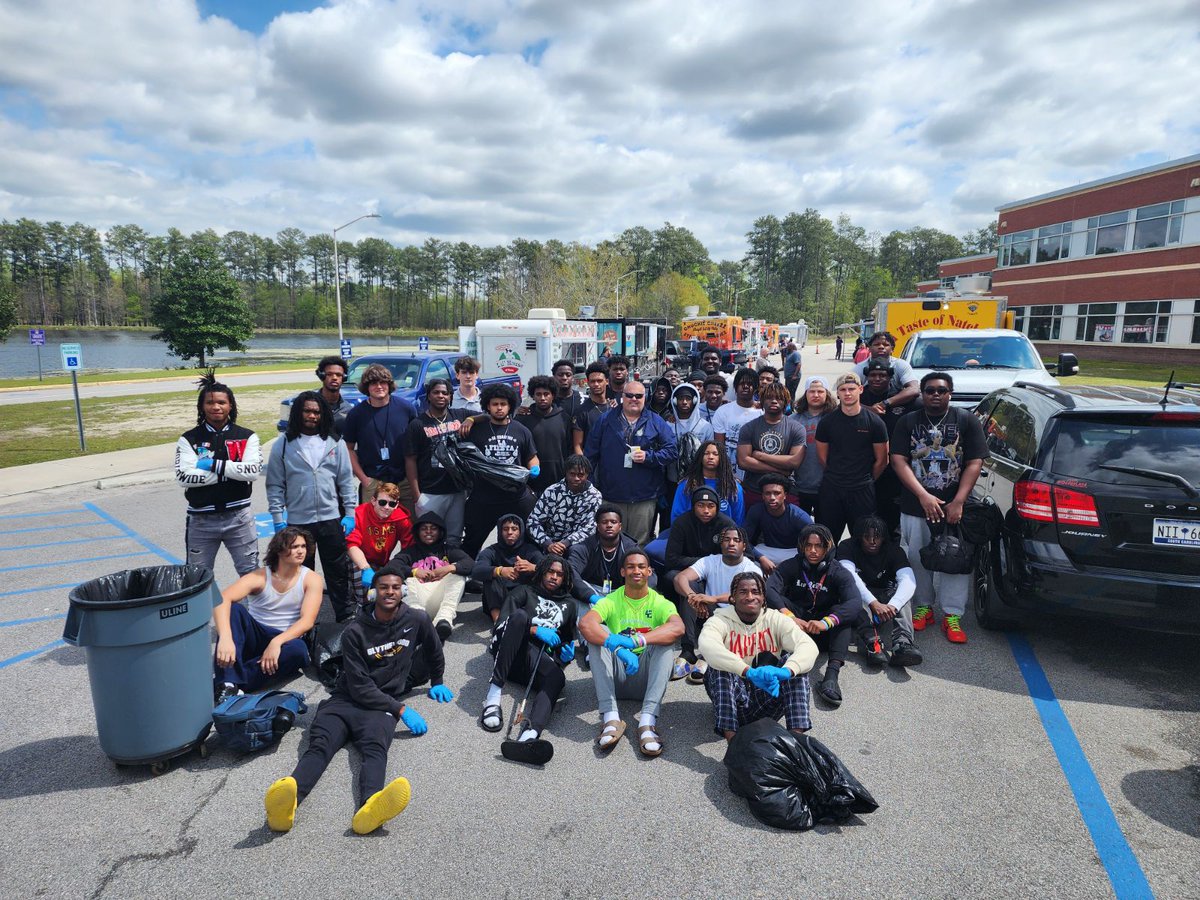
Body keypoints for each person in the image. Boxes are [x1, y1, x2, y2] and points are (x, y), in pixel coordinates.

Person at [262, 561, 449, 835]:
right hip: (345, 700)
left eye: (396, 587)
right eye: (384, 587)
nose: (390, 592)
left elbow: (434, 649)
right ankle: (286, 804)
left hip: (379, 706)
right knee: (320, 747)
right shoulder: (355, 631)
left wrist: (438, 680)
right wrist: (400, 709)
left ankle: (370, 807)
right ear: (374, 592)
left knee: (375, 750)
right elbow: (360, 685)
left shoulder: (416, 620)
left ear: (402, 591)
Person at [890, 372, 987, 645]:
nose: (935, 395)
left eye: (941, 391)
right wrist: (922, 495)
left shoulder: (966, 420)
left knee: (956, 559)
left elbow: (974, 463)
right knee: (918, 558)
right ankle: (923, 607)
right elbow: (898, 460)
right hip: (915, 504)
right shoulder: (908, 421)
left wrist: (958, 501)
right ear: (921, 393)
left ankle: (952, 615)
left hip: (954, 506)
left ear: (950, 393)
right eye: (930, 390)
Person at [578, 548, 684, 757]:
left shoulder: (660, 602)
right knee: (598, 634)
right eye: (631, 567)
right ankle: (610, 718)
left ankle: (647, 722)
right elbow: (586, 624)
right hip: (615, 677)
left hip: (647, 680)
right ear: (622, 572)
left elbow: (678, 628)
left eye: (641, 567)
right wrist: (615, 645)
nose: (637, 570)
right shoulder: (610, 600)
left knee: (665, 638)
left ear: (650, 572)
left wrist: (640, 639)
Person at [266, 391, 359, 622]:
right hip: (299, 522)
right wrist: (278, 518)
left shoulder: (333, 443)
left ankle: (344, 616)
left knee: (337, 571)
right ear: (298, 413)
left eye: (316, 411)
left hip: (330, 519)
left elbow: (346, 481)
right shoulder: (284, 445)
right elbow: (275, 484)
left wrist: (349, 513)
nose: (312, 415)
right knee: (299, 573)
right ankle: (303, 619)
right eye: (307, 411)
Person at [698, 571, 818, 741]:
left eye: (755, 592)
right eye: (743, 592)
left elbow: (808, 646)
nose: (749, 597)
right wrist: (747, 671)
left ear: (763, 597)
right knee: (719, 668)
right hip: (733, 704)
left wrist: (787, 671)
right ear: (732, 598)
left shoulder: (776, 619)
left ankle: (795, 742)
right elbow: (707, 645)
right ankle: (734, 743)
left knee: (795, 665)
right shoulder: (719, 620)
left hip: (767, 698)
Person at [213, 527, 323, 703]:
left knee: (299, 651)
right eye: (294, 547)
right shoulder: (260, 576)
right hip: (255, 634)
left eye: (303, 546)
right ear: (279, 550)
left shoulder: (311, 579)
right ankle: (227, 682)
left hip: (284, 637)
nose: (301, 550)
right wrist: (225, 638)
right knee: (235, 609)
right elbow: (222, 599)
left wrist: (277, 642)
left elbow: (307, 621)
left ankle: (228, 682)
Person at [478, 556, 579, 744]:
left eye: (560, 574)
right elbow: (503, 624)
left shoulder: (570, 605)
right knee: (520, 616)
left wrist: (565, 656)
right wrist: (533, 629)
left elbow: (563, 642)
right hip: (510, 654)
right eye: (551, 571)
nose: (554, 577)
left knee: (557, 677)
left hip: (535, 663)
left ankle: (531, 734)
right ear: (541, 572)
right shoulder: (523, 591)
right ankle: (492, 699)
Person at [766, 524, 867, 709]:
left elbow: (854, 602)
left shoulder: (839, 572)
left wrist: (825, 623)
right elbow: (769, 588)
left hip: (822, 631)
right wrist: (789, 616)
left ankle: (831, 677)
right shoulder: (792, 565)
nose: (813, 551)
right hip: (796, 628)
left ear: (828, 547)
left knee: (843, 614)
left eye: (818, 546)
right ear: (802, 547)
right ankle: (773, 667)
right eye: (808, 546)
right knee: (775, 604)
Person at [175, 371, 263, 577]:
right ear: (202, 406)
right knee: (197, 576)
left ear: (230, 405)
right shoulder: (189, 439)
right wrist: (233, 471)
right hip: (201, 519)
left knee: (251, 573)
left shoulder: (247, 436)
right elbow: (183, 477)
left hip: (239, 517)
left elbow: (252, 472)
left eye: (222, 402)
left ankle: (253, 611)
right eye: (210, 402)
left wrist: (211, 465)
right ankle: (204, 611)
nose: (216, 407)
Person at [584, 378, 676, 544]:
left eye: (639, 396)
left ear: (645, 398)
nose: (634, 399)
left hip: (644, 497)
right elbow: (590, 455)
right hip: (610, 495)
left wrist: (649, 457)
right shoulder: (605, 420)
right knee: (609, 540)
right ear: (622, 397)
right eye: (630, 395)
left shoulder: (656, 422)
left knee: (638, 544)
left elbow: (671, 451)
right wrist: (591, 487)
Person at [673, 524, 762, 681]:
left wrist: (713, 598)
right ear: (721, 544)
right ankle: (688, 652)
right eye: (726, 539)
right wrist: (692, 596)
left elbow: (746, 597)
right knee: (689, 588)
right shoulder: (710, 561)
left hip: (737, 618)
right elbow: (680, 578)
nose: (731, 543)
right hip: (709, 613)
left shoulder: (751, 568)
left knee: (745, 602)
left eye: (736, 540)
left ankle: (710, 657)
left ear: (744, 546)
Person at [663, 486, 736, 679]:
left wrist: (710, 564)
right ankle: (688, 649)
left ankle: (707, 645)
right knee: (679, 581)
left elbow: (737, 552)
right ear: (693, 506)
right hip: (691, 572)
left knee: (704, 587)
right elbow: (671, 559)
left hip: (714, 573)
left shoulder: (725, 524)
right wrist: (702, 562)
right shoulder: (682, 523)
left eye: (710, 506)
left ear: (717, 507)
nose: (705, 510)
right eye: (701, 505)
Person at [460, 383, 539, 558]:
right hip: (484, 497)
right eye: (495, 404)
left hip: (515, 496)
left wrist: (535, 468)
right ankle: (466, 577)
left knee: (529, 537)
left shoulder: (521, 430)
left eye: (503, 404)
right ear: (487, 406)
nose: (499, 408)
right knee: (472, 541)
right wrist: (472, 419)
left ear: (510, 405)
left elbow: (531, 456)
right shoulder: (476, 430)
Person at [836, 515, 922, 667]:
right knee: (849, 592)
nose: (872, 541)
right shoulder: (847, 547)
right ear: (859, 537)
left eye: (877, 537)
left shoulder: (894, 550)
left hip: (885, 599)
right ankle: (872, 643)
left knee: (904, 594)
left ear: (884, 537)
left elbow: (908, 581)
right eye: (867, 536)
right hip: (862, 599)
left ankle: (902, 644)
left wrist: (893, 605)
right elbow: (849, 577)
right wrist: (873, 603)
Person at [814, 373, 889, 541]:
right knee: (827, 539)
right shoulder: (827, 423)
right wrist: (838, 475)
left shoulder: (875, 423)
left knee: (863, 539)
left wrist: (865, 479)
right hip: (832, 489)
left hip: (862, 491)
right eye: (843, 390)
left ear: (860, 390)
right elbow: (822, 458)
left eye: (852, 389)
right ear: (837, 394)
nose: (847, 393)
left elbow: (882, 460)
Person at [343, 363, 419, 510]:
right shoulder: (356, 414)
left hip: (404, 481)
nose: (379, 386)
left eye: (383, 382)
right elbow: (349, 449)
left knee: (408, 527)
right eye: (373, 383)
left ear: (389, 384)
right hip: (373, 481)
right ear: (366, 387)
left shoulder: (406, 408)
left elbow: (416, 445)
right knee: (374, 530)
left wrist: (413, 479)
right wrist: (364, 479)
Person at [404, 377, 468, 546]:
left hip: (457, 491)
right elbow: (410, 460)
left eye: (445, 393)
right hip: (430, 492)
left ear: (450, 396)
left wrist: (471, 420)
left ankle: (451, 571)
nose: (441, 396)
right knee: (428, 538)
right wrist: (417, 495)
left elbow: (486, 415)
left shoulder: (459, 415)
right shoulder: (417, 424)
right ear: (429, 396)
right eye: (436, 392)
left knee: (454, 538)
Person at [392, 512, 474, 641]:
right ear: (417, 532)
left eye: (433, 528)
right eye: (424, 528)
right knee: (405, 577)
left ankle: (443, 620)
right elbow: (392, 566)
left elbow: (470, 564)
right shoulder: (410, 551)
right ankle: (418, 618)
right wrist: (414, 572)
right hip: (417, 601)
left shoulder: (449, 550)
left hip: (441, 598)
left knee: (457, 574)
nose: (428, 532)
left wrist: (448, 568)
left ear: (440, 532)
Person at [737, 381, 805, 508]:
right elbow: (743, 461)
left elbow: (794, 462)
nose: (774, 401)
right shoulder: (749, 427)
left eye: (779, 398)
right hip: (754, 489)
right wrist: (779, 470)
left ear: (786, 402)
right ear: (761, 401)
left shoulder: (796, 428)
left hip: (786, 491)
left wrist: (760, 456)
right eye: (769, 398)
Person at [861, 358, 907, 538]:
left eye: (882, 375)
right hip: (865, 466)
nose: (877, 378)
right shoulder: (860, 397)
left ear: (890, 377)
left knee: (889, 518)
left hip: (893, 470)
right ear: (866, 377)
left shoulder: (902, 399)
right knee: (865, 517)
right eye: (873, 375)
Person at [659, 382, 714, 532]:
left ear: (695, 401)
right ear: (675, 401)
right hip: (672, 480)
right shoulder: (668, 425)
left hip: (698, 480)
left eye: (688, 398)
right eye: (681, 398)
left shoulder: (705, 426)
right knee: (670, 516)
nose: (684, 402)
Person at [472, 513, 546, 624]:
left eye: (514, 529)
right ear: (500, 532)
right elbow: (476, 571)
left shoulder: (531, 550)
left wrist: (533, 567)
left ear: (520, 532)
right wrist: (499, 570)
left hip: (523, 598)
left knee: (538, 577)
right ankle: (498, 623)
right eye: (505, 529)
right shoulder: (491, 551)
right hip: (498, 599)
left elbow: (549, 569)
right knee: (491, 577)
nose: (510, 532)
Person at [346, 481, 414, 599]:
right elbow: (351, 545)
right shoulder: (360, 513)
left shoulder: (401, 518)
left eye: (391, 504)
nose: (386, 507)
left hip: (381, 562)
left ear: (397, 504)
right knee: (355, 568)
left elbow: (409, 547)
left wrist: (399, 568)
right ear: (373, 500)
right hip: (360, 560)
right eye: (382, 502)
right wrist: (366, 568)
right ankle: (360, 602)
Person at [526, 454, 603, 557]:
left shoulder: (595, 496)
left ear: (587, 475)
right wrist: (548, 544)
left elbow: (590, 528)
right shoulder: (552, 491)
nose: (576, 478)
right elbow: (533, 521)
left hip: (577, 547)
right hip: (549, 544)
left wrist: (565, 543)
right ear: (566, 473)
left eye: (580, 475)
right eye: (572, 474)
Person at [744, 474, 813, 573]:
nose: (772, 497)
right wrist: (761, 558)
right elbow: (744, 540)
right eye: (768, 493)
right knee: (746, 560)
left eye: (777, 493)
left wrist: (791, 562)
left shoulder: (799, 516)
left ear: (785, 495)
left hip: (793, 552)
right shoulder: (756, 510)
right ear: (762, 496)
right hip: (767, 551)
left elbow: (815, 542)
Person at [670, 439, 745, 525]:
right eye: (706, 453)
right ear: (700, 457)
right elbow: (676, 516)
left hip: (724, 536)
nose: (710, 457)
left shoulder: (733, 487)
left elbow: (738, 519)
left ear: (722, 458)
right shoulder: (687, 485)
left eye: (715, 454)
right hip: (692, 534)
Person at [790, 376, 836, 516]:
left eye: (820, 392)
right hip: (799, 487)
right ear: (805, 394)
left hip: (827, 487)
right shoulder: (793, 420)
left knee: (823, 532)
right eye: (812, 391)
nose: (816, 395)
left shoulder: (835, 419)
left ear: (827, 394)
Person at [523, 375, 575, 495]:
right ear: (532, 395)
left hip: (560, 482)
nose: (542, 398)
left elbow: (570, 448)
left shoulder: (564, 418)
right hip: (531, 485)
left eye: (546, 394)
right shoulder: (523, 419)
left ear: (553, 395)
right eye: (538, 394)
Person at [713, 368, 762, 480]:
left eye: (749, 384)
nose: (745, 386)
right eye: (741, 383)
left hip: (755, 472)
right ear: (735, 387)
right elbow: (719, 446)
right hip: (729, 472)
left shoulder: (762, 412)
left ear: (755, 388)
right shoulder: (723, 411)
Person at [854, 331, 920, 413]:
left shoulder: (901, 365)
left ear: (892, 349)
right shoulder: (859, 368)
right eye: (877, 344)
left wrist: (885, 403)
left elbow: (914, 389)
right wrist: (870, 411)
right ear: (869, 348)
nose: (881, 347)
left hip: (894, 404)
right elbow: (845, 396)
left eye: (886, 345)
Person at [573, 360, 614, 454]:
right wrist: (583, 467)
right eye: (592, 381)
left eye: (599, 381)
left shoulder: (613, 408)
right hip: (591, 464)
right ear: (588, 382)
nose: (596, 384)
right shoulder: (581, 411)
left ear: (607, 381)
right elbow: (577, 445)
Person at [314, 355, 351, 435]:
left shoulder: (349, 410)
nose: (334, 378)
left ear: (344, 378)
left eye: (338, 375)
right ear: (322, 376)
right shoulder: (308, 406)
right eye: (329, 374)